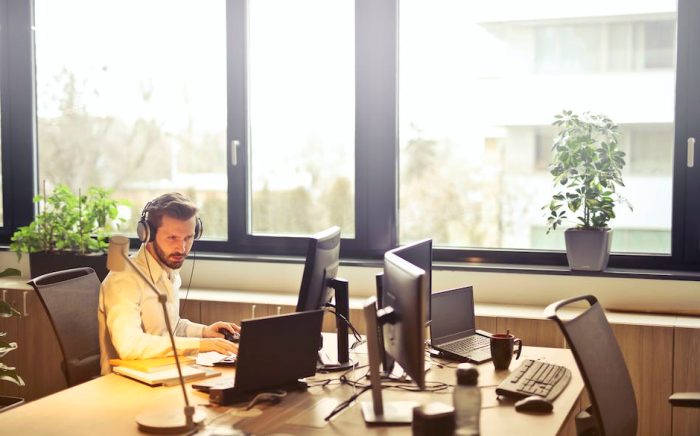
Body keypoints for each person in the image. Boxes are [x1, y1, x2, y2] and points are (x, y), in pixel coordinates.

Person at [98, 192, 238, 375]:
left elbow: (170, 328)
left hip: (163, 372)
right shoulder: (123, 279)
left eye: (188, 238)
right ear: (148, 234)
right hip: (124, 382)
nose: (182, 248)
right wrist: (199, 344)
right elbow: (129, 346)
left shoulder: (169, 273)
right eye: (172, 238)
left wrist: (204, 332)